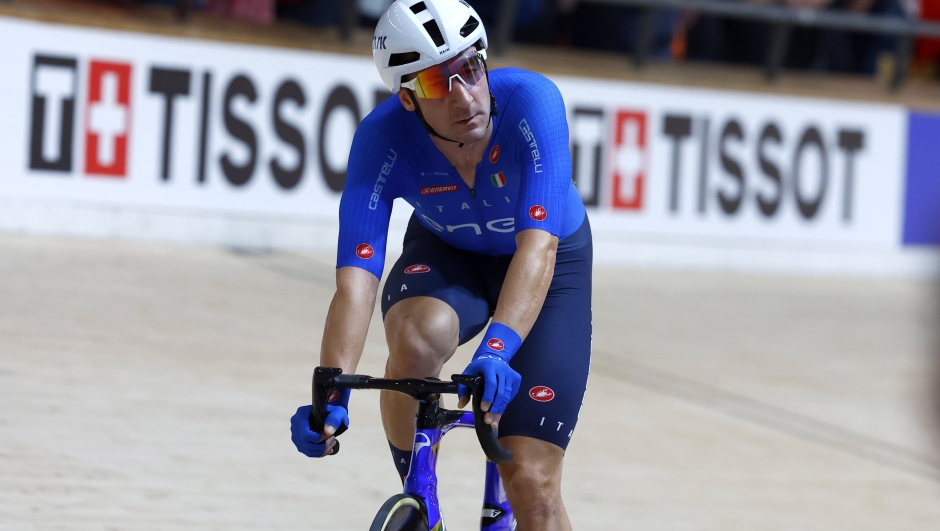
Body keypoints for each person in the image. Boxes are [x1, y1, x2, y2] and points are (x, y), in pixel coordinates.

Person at [289, 1, 592, 529]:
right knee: (413, 339)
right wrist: (330, 388)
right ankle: (419, 498)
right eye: (435, 82)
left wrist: (497, 349)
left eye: (470, 69)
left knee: (533, 484)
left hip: (549, 260)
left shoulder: (532, 102)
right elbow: (356, 281)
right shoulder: (381, 139)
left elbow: (537, 249)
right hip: (448, 252)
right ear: (406, 98)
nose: (463, 95)